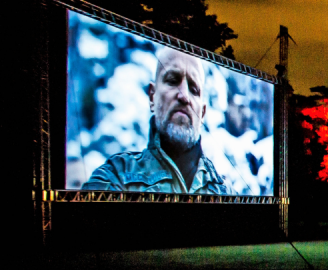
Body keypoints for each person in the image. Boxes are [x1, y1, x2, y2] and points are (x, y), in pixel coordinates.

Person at [82, 48, 232, 194]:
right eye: (173, 81)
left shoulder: (225, 192)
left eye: (194, 90)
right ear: (152, 97)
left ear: (203, 113)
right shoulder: (115, 176)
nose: (184, 96)